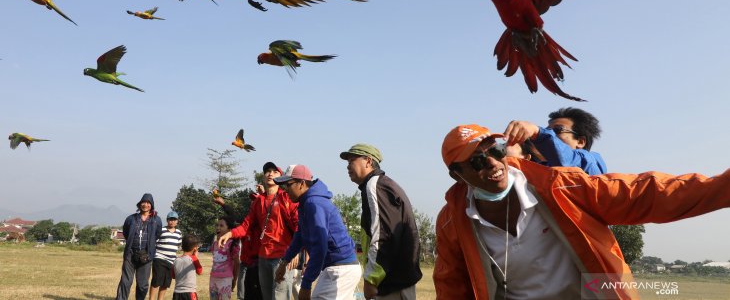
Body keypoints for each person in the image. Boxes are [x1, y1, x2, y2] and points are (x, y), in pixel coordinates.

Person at [434, 124, 730, 299]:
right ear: (457, 175)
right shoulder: (452, 221)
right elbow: (452, 286)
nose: (493, 164)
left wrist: (723, 188)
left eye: (496, 151)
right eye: (476, 162)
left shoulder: (561, 187)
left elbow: (645, 193)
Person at [339, 143, 422, 300]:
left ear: (368, 161)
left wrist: (371, 278)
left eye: (352, 161)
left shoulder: (374, 185)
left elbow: (382, 234)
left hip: (390, 282)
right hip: (397, 278)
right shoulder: (382, 184)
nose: (348, 167)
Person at [272, 165, 361, 300]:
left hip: (341, 268)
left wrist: (306, 285)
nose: (285, 190)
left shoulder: (314, 203)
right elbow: (300, 235)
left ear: (301, 183)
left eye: (288, 185)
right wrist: (285, 262)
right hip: (335, 267)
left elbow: (320, 247)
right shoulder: (306, 202)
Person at [217, 161, 299, 300]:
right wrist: (230, 233)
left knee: (280, 297)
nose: (270, 174)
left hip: (282, 257)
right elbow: (246, 225)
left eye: (274, 171)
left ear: (281, 176)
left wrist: (295, 249)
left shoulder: (286, 198)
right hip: (263, 257)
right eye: (267, 171)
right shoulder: (258, 201)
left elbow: (298, 225)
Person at [503, 107, 607, 174]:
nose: (551, 134)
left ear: (580, 141)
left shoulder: (588, 161)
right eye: (548, 131)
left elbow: (567, 161)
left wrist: (538, 132)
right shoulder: (543, 170)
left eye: (557, 130)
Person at [215, 187, 264, 300]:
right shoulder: (245, 225)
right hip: (245, 264)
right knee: (242, 295)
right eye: (252, 201)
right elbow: (232, 218)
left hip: (259, 264)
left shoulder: (265, 225)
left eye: (256, 201)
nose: (253, 203)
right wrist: (223, 204)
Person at [117, 193, 164, 300]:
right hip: (130, 254)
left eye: (148, 203)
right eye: (143, 202)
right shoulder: (131, 218)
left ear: (151, 205)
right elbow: (126, 232)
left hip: (146, 255)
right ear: (139, 204)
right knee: (126, 281)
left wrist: (149, 246)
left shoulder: (157, 220)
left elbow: (157, 234)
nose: (145, 205)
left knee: (142, 285)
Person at [149, 211, 183, 300]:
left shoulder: (179, 233)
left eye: (174, 219)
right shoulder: (162, 230)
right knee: (156, 281)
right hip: (159, 258)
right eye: (170, 219)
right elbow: (154, 243)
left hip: (171, 261)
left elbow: (179, 245)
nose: (172, 221)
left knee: (165, 283)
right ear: (167, 220)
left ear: (177, 221)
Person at [172, 234, 203, 300]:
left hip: (177, 293)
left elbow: (173, 276)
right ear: (195, 248)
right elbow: (200, 271)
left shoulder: (176, 260)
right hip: (190, 292)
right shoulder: (194, 259)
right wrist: (196, 257)